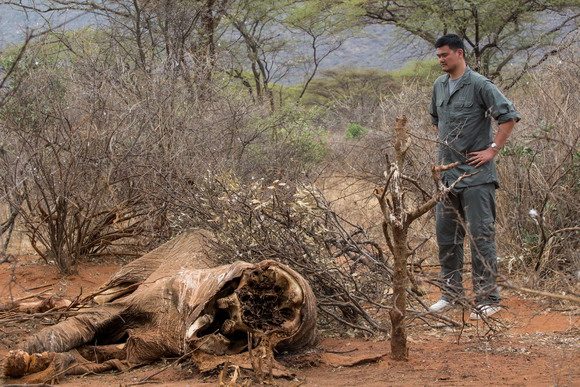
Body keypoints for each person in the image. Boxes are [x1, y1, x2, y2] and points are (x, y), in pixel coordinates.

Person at [427, 34, 520, 319]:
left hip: (478, 177)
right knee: (447, 238)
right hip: (447, 177)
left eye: (445, 55)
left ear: (459, 53)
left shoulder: (480, 84)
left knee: (481, 238)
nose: (441, 59)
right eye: (438, 56)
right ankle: (451, 294)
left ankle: (487, 298)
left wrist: (492, 150)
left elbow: (508, 116)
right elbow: (437, 121)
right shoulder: (439, 86)